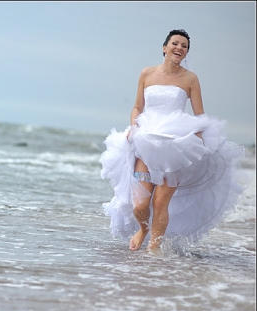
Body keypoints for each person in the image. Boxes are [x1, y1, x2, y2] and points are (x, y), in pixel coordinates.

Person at [99, 29, 248, 252]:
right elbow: (137, 106)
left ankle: (154, 249)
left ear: (186, 52)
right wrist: (134, 125)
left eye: (184, 46)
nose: (180, 48)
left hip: (176, 145)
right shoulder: (147, 74)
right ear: (164, 47)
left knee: (160, 202)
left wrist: (197, 134)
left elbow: (200, 114)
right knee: (140, 204)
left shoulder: (190, 78)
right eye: (175, 43)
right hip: (146, 141)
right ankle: (143, 228)